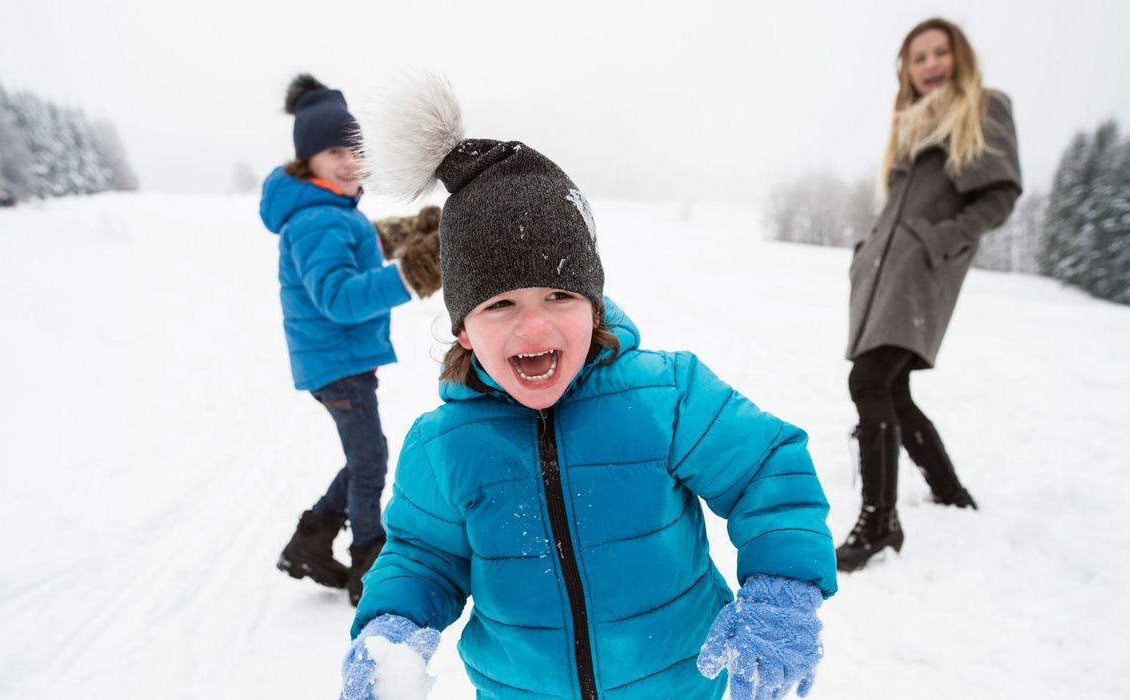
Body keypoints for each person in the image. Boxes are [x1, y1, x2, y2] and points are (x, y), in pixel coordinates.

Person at [337, 74, 837, 700]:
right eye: (500, 305)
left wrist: (781, 591)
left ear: (594, 309)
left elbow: (767, 469)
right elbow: (423, 557)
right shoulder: (443, 446)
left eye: (560, 295)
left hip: (681, 686)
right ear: (463, 329)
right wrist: (393, 626)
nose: (534, 324)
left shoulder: (668, 396)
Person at [840, 18, 1022, 572]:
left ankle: (880, 523)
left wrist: (934, 241)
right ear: (907, 70)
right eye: (919, 58)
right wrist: (869, 248)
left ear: (959, 57)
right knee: (892, 390)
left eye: (941, 53)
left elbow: (999, 194)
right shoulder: (909, 124)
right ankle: (949, 492)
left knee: (869, 379)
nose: (931, 65)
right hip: (883, 273)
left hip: (919, 273)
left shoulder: (982, 108)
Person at [259, 74, 441, 605]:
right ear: (307, 159)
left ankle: (311, 541)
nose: (348, 162)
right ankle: (369, 563)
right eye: (335, 151)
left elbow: (362, 244)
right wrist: (416, 272)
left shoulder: (328, 212)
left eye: (355, 150)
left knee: (367, 455)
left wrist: (415, 232)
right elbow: (337, 296)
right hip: (337, 363)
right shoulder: (318, 220)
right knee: (369, 463)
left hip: (339, 362)